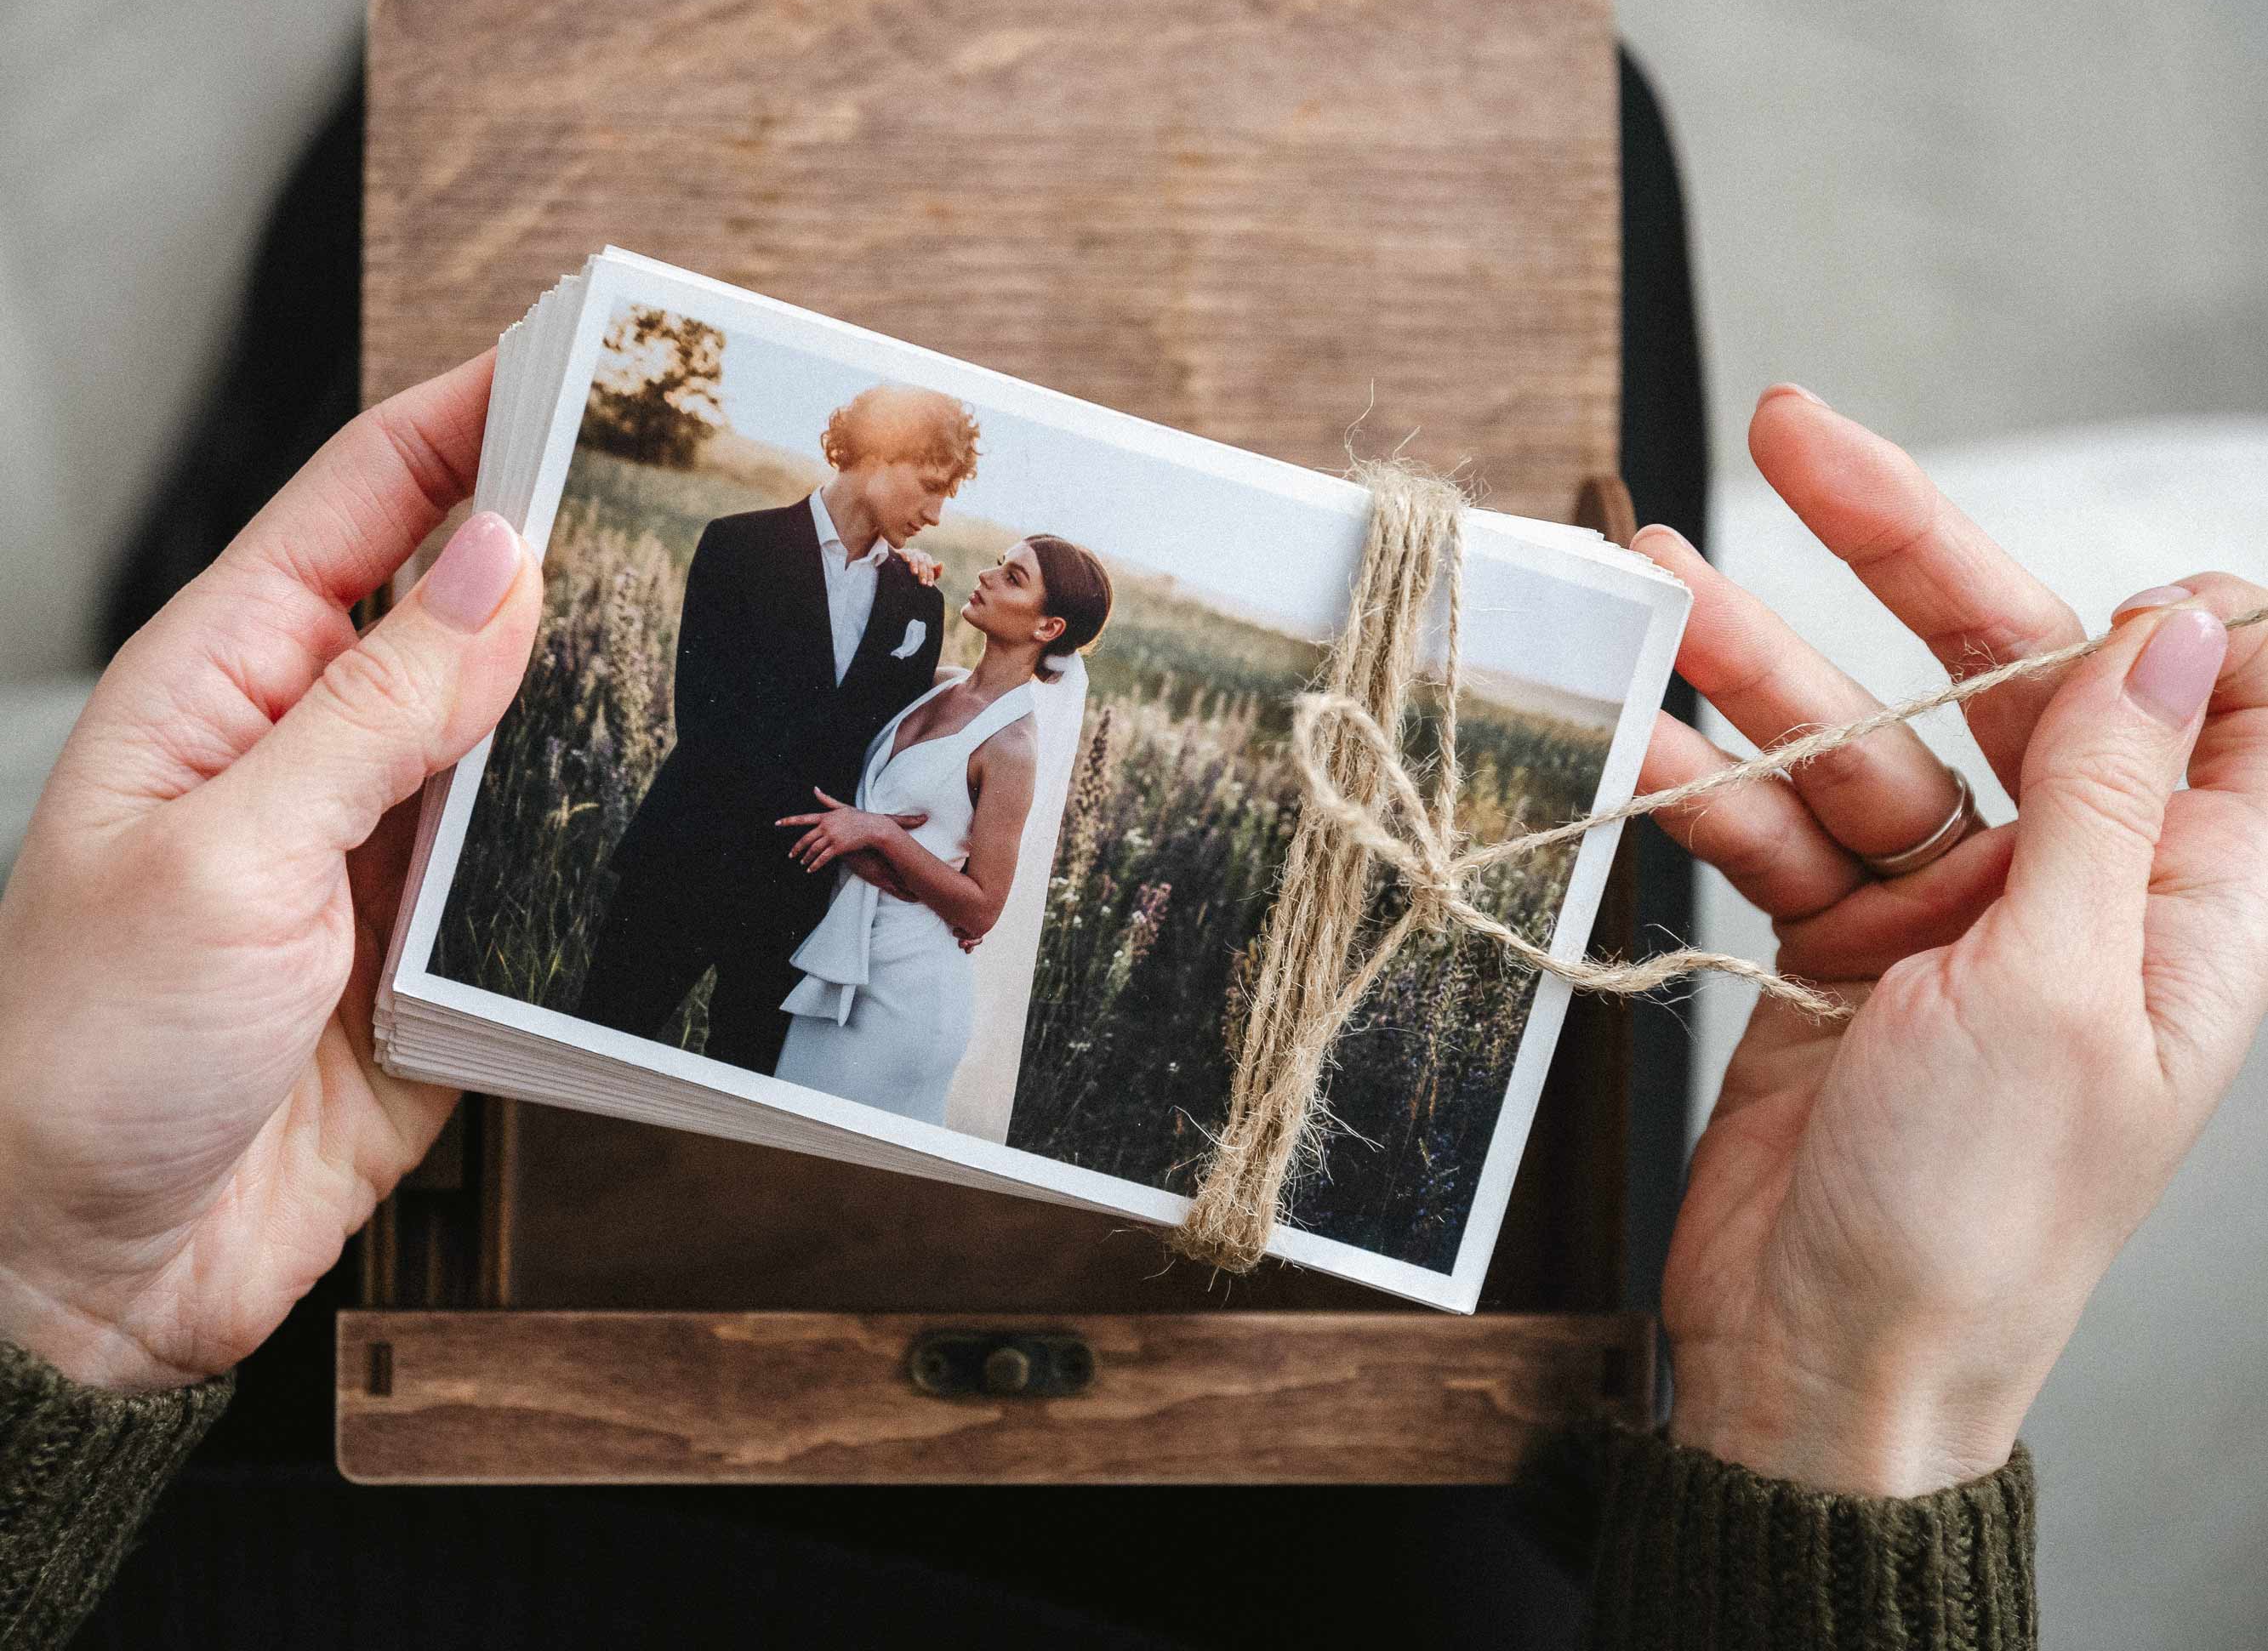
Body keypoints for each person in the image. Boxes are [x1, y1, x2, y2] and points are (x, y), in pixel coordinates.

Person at [0, 359, 2261, 1649]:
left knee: (329, 392)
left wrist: (47, 1292)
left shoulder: (1009, 707)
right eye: (955, 528)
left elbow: (977, 895)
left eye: (997, 556)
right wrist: (1851, 1425)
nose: (966, 558)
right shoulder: (913, 640)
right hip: (1389, 1565)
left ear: (1045, 619)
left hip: (307, 1535)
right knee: (1612, 159)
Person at [572, 383, 969, 1074]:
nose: (935, 513)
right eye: (929, 487)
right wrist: (847, 840)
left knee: (741, 1092)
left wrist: (898, 847)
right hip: (688, 861)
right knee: (595, 1052)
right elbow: (708, 722)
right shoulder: (737, 546)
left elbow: (886, 752)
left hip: (797, 901)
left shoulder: (918, 604)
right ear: (878, 452)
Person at [771, 536, 1113, 1125]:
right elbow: (840, 701)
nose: (984, 575)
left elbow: (981, 910)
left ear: (1048, 627)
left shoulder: (1012, 747)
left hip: (908, 993)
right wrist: (901, 578)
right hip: (842, 960)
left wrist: (882, 835)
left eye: (1012, 578)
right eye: (999, 565)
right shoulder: (941, 683)